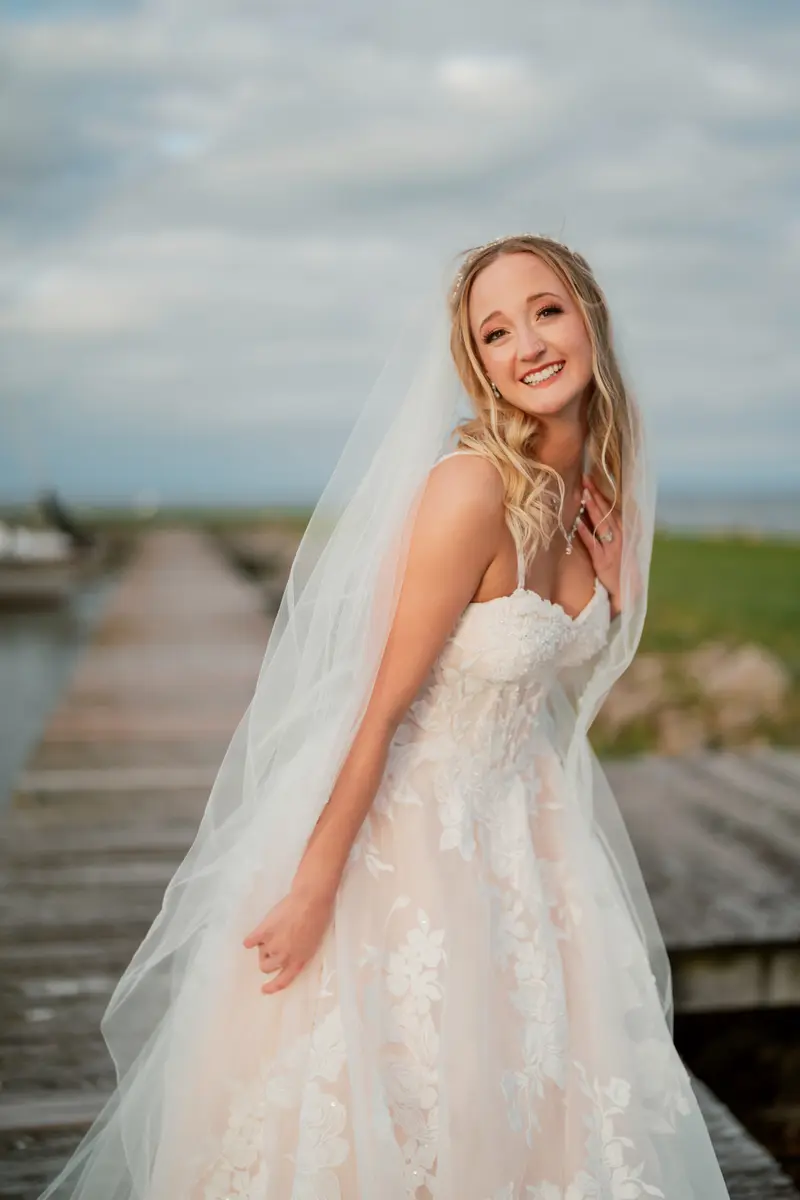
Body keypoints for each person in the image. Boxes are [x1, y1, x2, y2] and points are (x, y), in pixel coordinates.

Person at [41, 235, 732, 1199]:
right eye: (496, 332)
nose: (529, 344)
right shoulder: (470, 491)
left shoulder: (590, 493)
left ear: (590, 317)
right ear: (477, 364)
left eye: (546, 311)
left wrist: (613, 592)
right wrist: (315, 885)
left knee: (535, 1110)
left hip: (524, 833)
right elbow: (377, 708)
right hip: (409, 843)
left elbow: (546, 678)